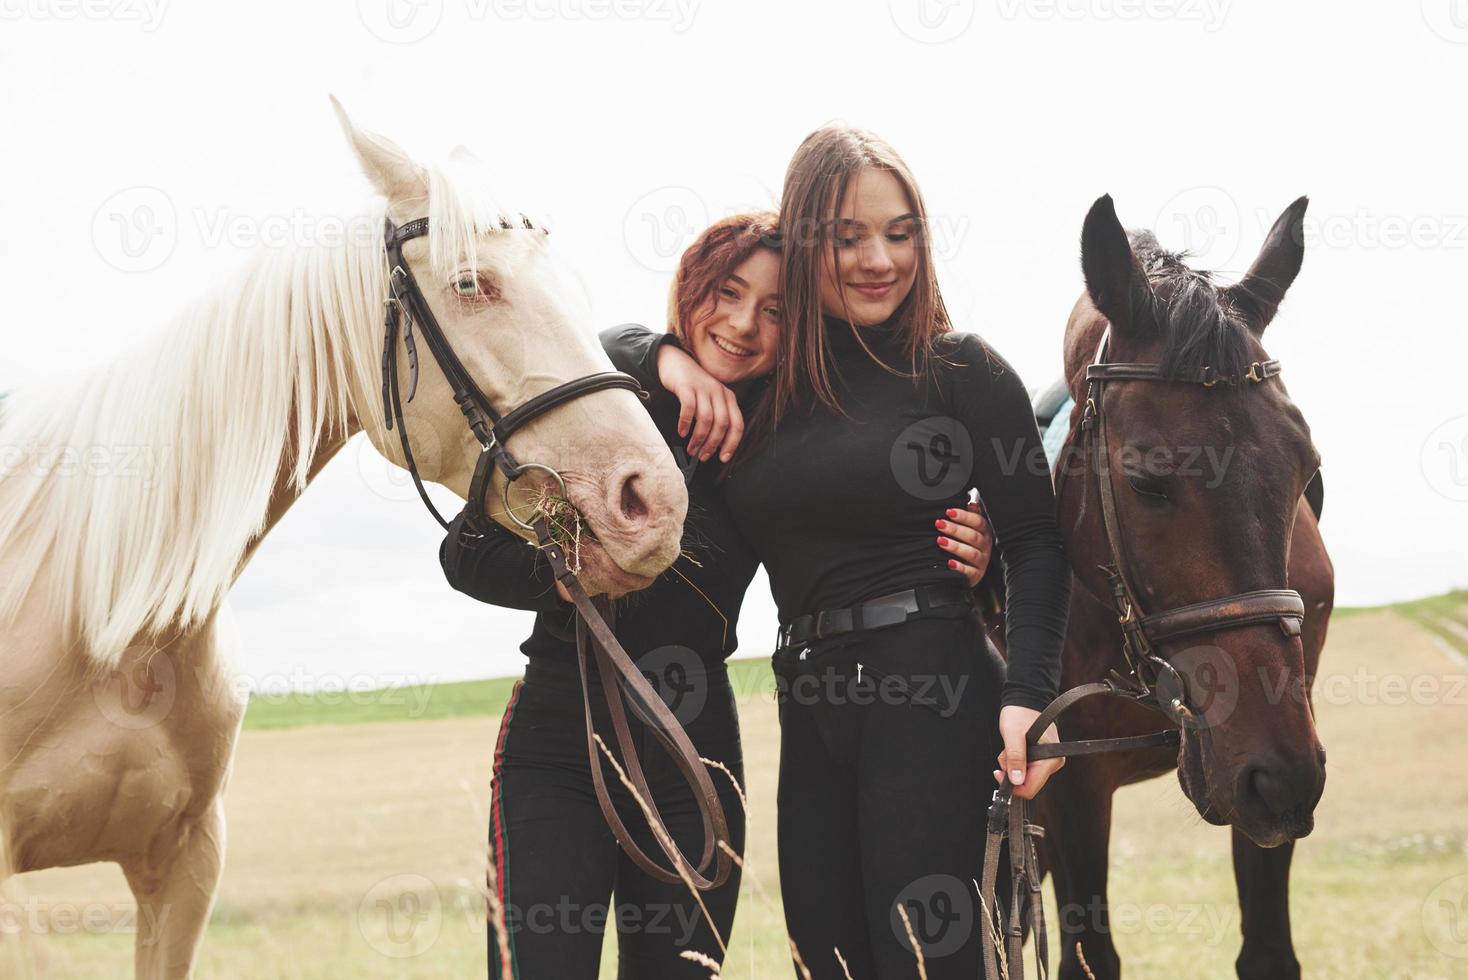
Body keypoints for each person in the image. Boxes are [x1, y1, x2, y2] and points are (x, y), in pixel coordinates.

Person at [439, 211, 995, 979]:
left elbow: (869, 516)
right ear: (691, 288)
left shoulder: (786, 440)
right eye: (727, 293)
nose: (742, 324)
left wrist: (975, 537)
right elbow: (463, 554)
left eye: (774, 311)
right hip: (556, 741)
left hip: (693, 756)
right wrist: (574, 568)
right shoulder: (601, 405)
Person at [642, 127, 1072, 978]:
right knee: (826, 962)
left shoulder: (961, 371)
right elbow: (603, 354)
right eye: (848, 237)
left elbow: (1036, 545)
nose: (879, 258)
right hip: (809, 709)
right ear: (805, 242)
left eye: (900, 233)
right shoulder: (760, 390)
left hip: (938, 702)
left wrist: (1031, 704)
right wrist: (662, 358)